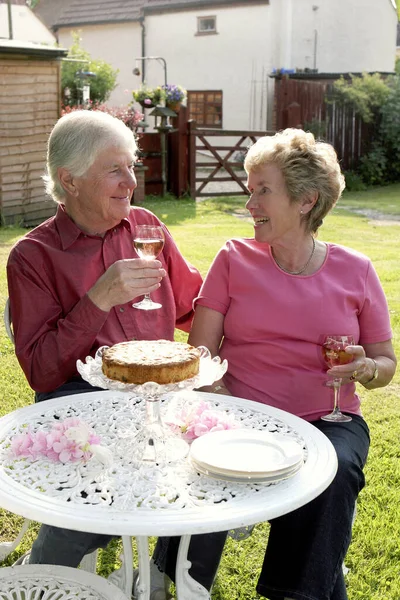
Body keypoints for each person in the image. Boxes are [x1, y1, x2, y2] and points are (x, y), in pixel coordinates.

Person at [182, 128, 397, 600]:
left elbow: (385, 365)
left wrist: (364, 368)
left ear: (306, 201)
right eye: (250, 189)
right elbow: (200, 358)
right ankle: (177, 580)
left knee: (336, 469)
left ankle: (295, 593)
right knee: (205, 460)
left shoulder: (356, 269)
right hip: (239, 418)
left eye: (263, 191)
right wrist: (229, 413)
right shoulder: (233, 258)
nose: (249, 203)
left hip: (328, 420)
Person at [6, 109, 202, 595]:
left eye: (131, 166)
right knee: (97, 496)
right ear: (68, 180)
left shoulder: (146, 227)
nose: (130, 182)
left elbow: (194, 306)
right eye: (114, 169)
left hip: (158, 392)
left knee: (214, 473)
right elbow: (42, 372)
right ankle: (48, 578)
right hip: (76, 399)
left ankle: (165, 572)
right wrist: (97, 300)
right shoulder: (33, 255)